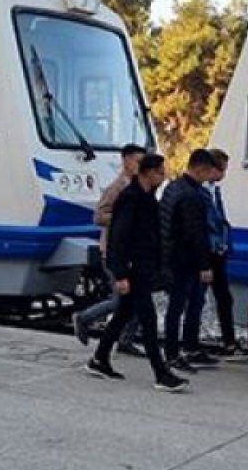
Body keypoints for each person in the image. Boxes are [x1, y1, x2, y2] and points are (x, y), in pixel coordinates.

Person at [87, 154, 189, 393]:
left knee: (123, 314)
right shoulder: (130, 199)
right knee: (149, 320)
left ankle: (100, 359)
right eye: (160, 172)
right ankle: (161, 372)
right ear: (149, 173)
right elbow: (119, 237)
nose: (163, 177)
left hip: (143, 267)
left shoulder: (147, 199)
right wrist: (120, 273)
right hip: (133, 268)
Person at [72, 144, 145, 355]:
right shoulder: (117, 188)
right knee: (123, 299)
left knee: (138, 298)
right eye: (137, 161)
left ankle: (126, 339)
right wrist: (125, 219)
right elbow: (99, 216)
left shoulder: (137, 186)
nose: (141, 166)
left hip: (130, 252)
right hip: (113, 252)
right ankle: (84, 318)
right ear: (126, 161)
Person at [159, 148, 219, 371]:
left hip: (170, 256)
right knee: (181, 306)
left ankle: (177, 349)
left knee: (177, 307)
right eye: (208, 171)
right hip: (185, 261)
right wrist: (204, 264)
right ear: (201, 169)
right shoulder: (192, 196)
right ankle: (175, 353)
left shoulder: (172, 188)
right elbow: (196, 233)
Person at [203, 149, 243, 356]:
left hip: (218, 251)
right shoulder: (202, 193)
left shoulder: (213, 190)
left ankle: (229, 341)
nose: (224, 175)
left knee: (224, 298)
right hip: (208, 253)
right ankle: (192, 343)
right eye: (223, 170)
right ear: (212, 169)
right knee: (200, 298)